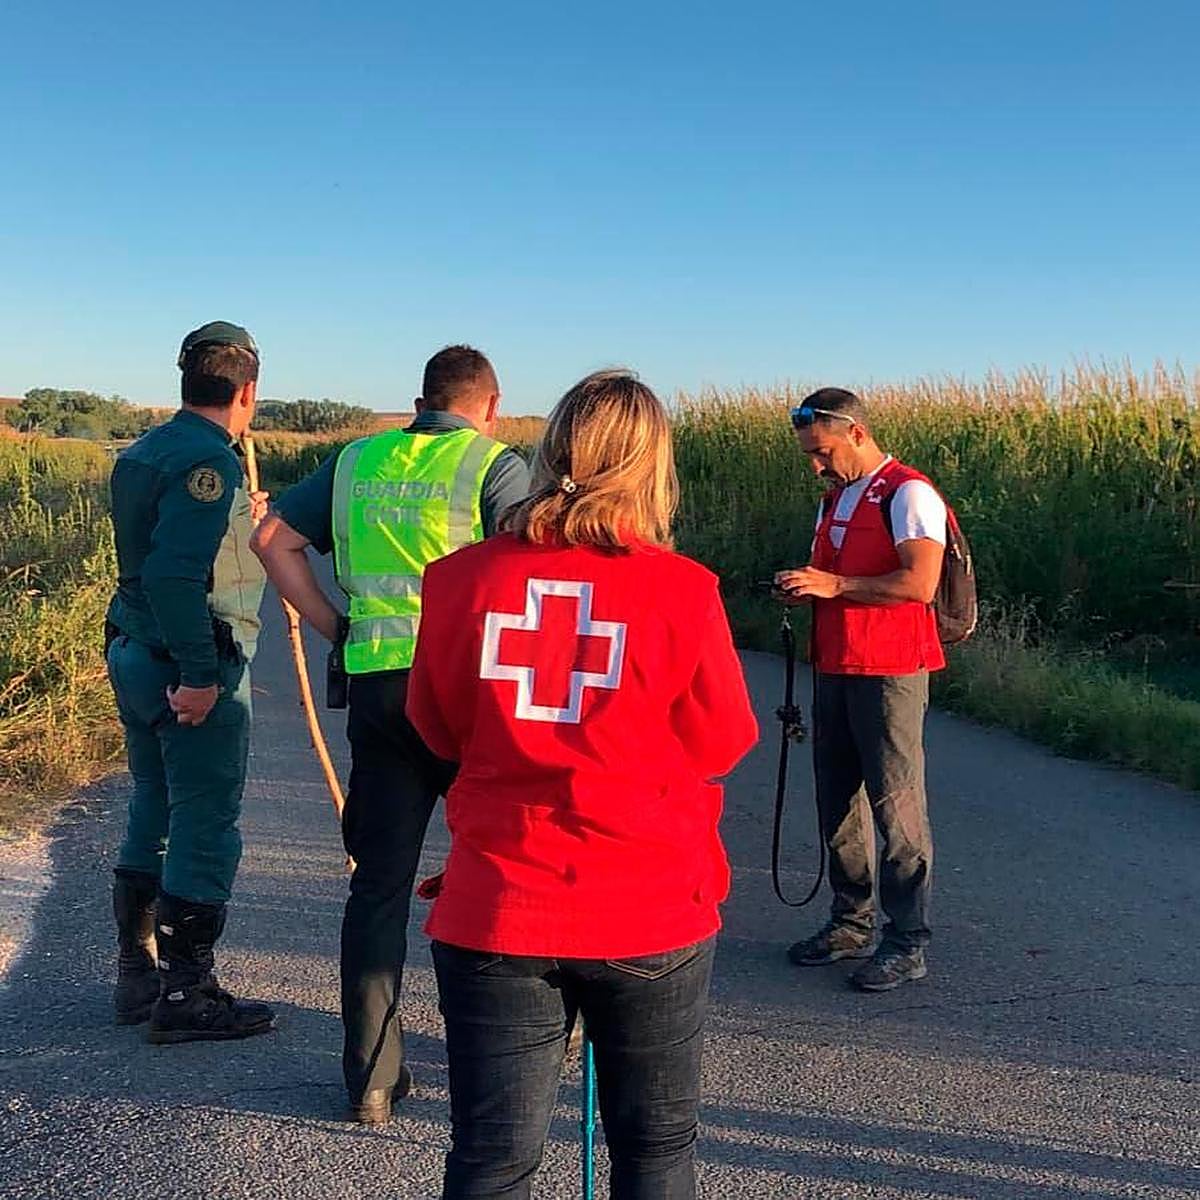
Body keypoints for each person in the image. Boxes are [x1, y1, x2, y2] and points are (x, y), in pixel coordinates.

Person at [406, 370, 758, 1199]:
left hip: (497, 903)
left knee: (492, 1160)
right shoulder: (683, 589)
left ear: (549, 448)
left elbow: (435, 725)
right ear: (649, 469)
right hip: (648, 906)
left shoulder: (460, 580)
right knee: (657, 1153)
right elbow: (722, 740)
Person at [250, 345, 530, 1124]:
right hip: (472, 694)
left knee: (377, 885)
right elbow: (537, 569)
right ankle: (511, 1055)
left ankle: (371, 1078)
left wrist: (336, 624)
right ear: (490, 403)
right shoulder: (494, 466)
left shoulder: (355, 462)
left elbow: (271, 541)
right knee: (504, 868)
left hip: (379, 686)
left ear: (419, 401)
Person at [105, 320, 274, 1043]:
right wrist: (203, 677)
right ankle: (187, 993)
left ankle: (137, 973)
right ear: (248, 391)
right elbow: (176, 575)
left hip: (134, 650)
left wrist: (247, 525)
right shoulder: (211, 461)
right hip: (186, 659)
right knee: (205, 820)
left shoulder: (145, 449)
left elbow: (161, 549)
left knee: (154, 801)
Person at [775, 387, 945, 992]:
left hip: (891, 669)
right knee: (837, 801)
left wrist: (836, 584)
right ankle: (850, 922)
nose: (816, 465)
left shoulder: (908, 492)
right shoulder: (836, 498)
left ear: (855, 432)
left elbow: (919, 583)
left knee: (896, 806)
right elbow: (835, 579)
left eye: (821, 452)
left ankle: (906, 941)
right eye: (810, 456)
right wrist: (807, 587)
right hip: (836, 665)